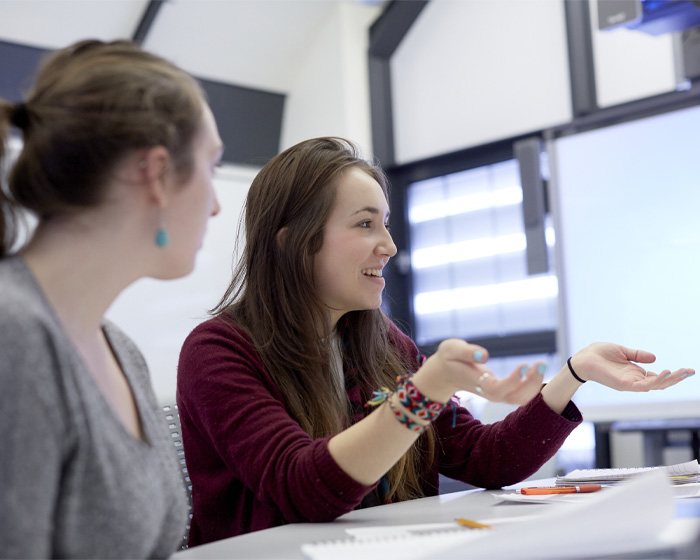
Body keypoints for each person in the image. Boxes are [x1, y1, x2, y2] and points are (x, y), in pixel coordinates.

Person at [176, 137, 694, 547]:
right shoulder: (218, 352)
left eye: (386, 223)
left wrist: (573, 374)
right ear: (292, 242)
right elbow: (304, 490)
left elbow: (487, 460)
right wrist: (425, 390)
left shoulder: (383, 345)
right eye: (364, 224)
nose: (390, 245)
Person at [0, 39, 223, 558]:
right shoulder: (14, 339)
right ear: (156, 173)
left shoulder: (121, 351)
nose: (215, 206)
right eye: (212, 166)